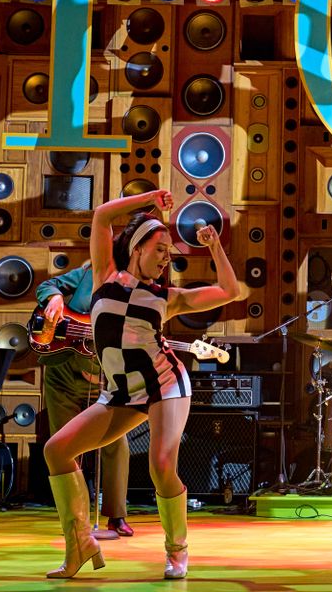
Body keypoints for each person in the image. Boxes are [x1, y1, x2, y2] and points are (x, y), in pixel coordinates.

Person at [41, 188, 243, 580]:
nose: (168, 257)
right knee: (57, 450)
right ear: (137, 247)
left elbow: (230, 292)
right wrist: (152, 198)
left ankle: (177, 551)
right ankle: (80, 543)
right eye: (161, 249)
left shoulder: (168, 297)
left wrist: (216, 246)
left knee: (162, 466)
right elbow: (101, 215)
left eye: (170, 253)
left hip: (165, 385)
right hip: (119, 392)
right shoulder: (102, 277)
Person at [36, 262, 132, 537]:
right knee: (65, 445)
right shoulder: (89, 272)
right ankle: (74, 517)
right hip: (62, 374)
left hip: (105, 382)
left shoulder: (140, 292)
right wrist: (54, 297)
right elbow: (46, 285)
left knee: (117, 444)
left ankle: (116, 515)